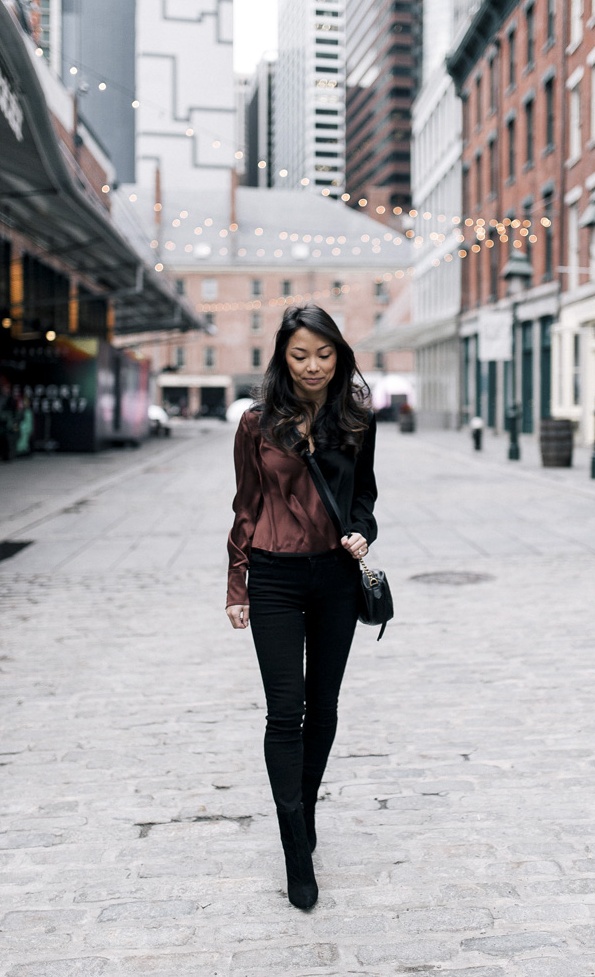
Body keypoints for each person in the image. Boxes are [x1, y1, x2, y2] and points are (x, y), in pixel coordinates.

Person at [226, 304, 378, 910]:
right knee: (284, 711)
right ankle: (296, 845)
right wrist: (238, 585)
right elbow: (243, 504)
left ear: (338, 355)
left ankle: (305, 807)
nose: (313, 366)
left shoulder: (357, 419)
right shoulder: (256, 423)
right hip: (274, 577)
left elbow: (363, 494)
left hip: (336, 578)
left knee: (324, 707)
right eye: (300, 355)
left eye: (323, 353)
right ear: (282, 359)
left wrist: (364, 530)